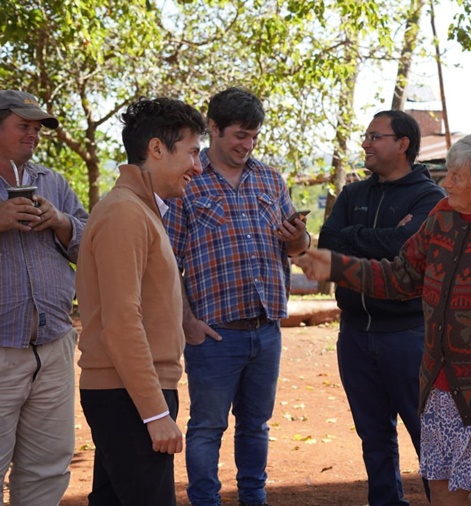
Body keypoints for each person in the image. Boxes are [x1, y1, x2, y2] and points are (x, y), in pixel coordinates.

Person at [299, 133, 471, 506]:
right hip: (439, 388)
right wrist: (337, 266)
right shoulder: (442, 217)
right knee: (442, 486)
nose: (446, 184)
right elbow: (400, 277)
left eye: (457, 176)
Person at [163, 87, 310, 506]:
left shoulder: (269, 178)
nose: (247, 144)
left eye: (253, 136)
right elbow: (167, 262)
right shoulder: (187, 182)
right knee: (207, 427)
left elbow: (297, 248)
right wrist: (187, 321)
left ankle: (254, 498)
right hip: (213, 333)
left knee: (256, 425)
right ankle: (205, 500)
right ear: (213, 128)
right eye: (239, 135)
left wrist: (298, 237)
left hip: (266, 330)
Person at [76, 97, 207, 505]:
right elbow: (121, 321)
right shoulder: (125, 213)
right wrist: (153, 413)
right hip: (128, 395)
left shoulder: (142, 210)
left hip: (131, 390)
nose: (197, 167)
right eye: (192, 152)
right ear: (156, 149)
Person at [318, 110, 444, 505]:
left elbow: (406, 250)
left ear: (402, 144)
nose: (366, 144)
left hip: (408, 335)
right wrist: (378, 237)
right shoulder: (353, 194)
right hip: (354, 333)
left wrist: (355, 237)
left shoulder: (430, 197)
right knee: (373, 437)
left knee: (426, 433)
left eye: (375, 136)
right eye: (366, 136)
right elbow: (328, 245)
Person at [0, 90, 89, 505]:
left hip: (53, 348)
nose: (33, 134)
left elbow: (91, 245)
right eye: (24, 126)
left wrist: (62, 222)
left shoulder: (53, 182)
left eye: (38, 128)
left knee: (48, 468)